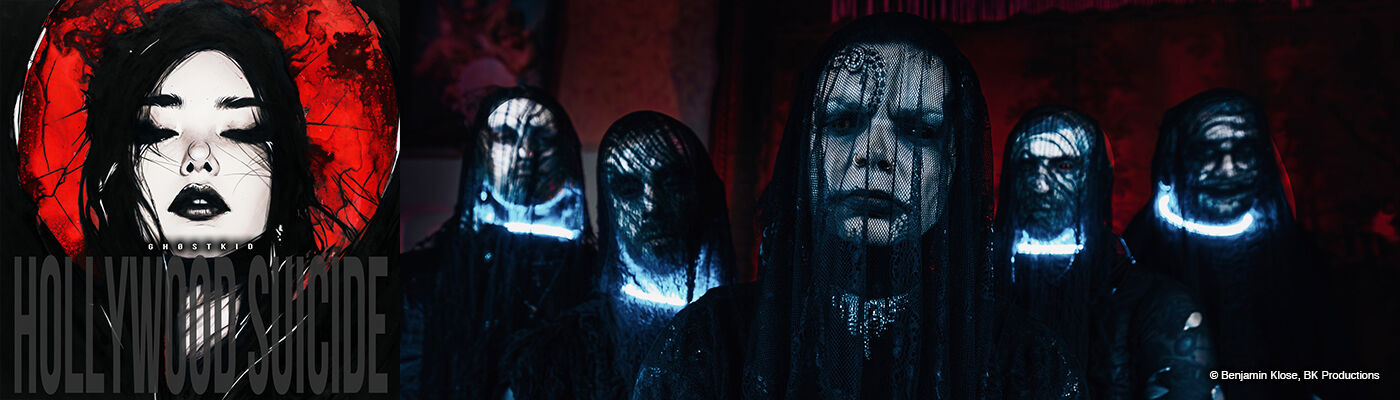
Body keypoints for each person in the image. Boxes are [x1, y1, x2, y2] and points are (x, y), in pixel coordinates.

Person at [632, 13, 1082, 399]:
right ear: (806, 151)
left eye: (918, 131)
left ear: (952, 168)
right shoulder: (711, 340)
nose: (874, 153)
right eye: (844, 122)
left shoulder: (1025, 361)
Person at [501, 111, 736, 399]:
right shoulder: (555, 357)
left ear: (699, 193)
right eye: (628, 189)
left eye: (671, 183)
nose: (651, 206)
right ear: (609, 205)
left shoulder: (747, 331)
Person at [993, 106, 1215, 399]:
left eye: (1064, 166)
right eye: (1026, 164)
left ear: (1096, 178)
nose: (1040, 184)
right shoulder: (977, 288)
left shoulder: (1155, 302)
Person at [1123, 89, 1328, 400]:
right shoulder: (1142, 252)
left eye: (1244, 151)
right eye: (1208, 152)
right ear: (1176, 159)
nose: (1228, 168)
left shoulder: (1294, 252)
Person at [400, 86, 595, 399]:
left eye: (543, 138)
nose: (525, 152)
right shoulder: (425, 279)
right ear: (482, 149)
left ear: (563, 152)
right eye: (505, 136)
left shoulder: (596, 278)